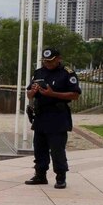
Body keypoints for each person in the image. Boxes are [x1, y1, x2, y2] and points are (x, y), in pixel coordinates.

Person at [25, 47, 82, 189]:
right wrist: (31, 94)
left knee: (57, 149)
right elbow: (29, 93)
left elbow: (75, 95)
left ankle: (61, 177)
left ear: (58, 59)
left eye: (50, 61)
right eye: (45, 61)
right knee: (39, 147)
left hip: (58, 116)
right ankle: (40, 175)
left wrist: (53, 94)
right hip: (41, 115)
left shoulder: (67, 73)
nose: (47, 64)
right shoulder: (39, 72)